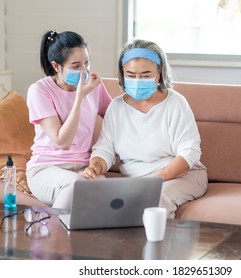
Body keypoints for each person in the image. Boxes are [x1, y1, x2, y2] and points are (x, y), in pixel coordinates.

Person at [84, 39, 208, 218]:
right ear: (122, 74)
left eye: (145, 75)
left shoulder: (175, 103)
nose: (137, 80)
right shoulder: (116, 107)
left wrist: (153, 182)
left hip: (180, 176)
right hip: (135, 181)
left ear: (159, 74)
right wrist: (95, 166)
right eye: (131, 75)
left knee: (154, 201)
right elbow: (105, 149)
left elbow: (189, 152)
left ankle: (155, 246)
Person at [26, 30, 112, 209]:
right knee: (75, 185)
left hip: (83, 167)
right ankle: (54, 234)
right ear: (57, 67)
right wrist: (80, 97)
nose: (84, 71)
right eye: (76, 66)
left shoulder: (94, 86)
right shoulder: (39, 91)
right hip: (46, 167)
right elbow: (62, 141)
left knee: (105, 190)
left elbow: (116, 117)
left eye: (86, 63)